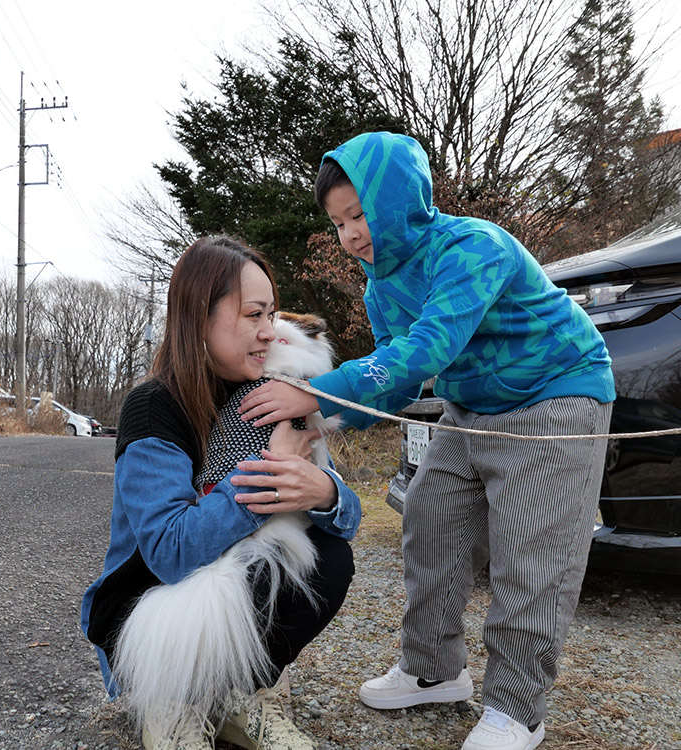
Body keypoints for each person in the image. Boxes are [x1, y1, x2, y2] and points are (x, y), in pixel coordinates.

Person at [238, 132, 614, 750]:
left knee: (532, 551)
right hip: (471, 406)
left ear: (398, 201)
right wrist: (319, 419)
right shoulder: (380, 283)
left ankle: (517, 709)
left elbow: (428, 347)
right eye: (337, 223)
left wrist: (318, 391)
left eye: (360, 214)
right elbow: (393, 372)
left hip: (557, 393)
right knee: (430, 518)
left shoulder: (472, 247)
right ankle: (434, 670)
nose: (350, 234)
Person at [80, 236, 361, 750]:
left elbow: (347, 516)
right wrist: (269, 473)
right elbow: (169, 551)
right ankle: (171, 705)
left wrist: (321, 490)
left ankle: (240, 696)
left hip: (217, 594)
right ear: (198, 318)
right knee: (268, 559)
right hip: (143, 604)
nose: (268, 332)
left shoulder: (271, 390)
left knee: (329, 556)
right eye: (254, 315)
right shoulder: (153, 407)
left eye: (272, 316)